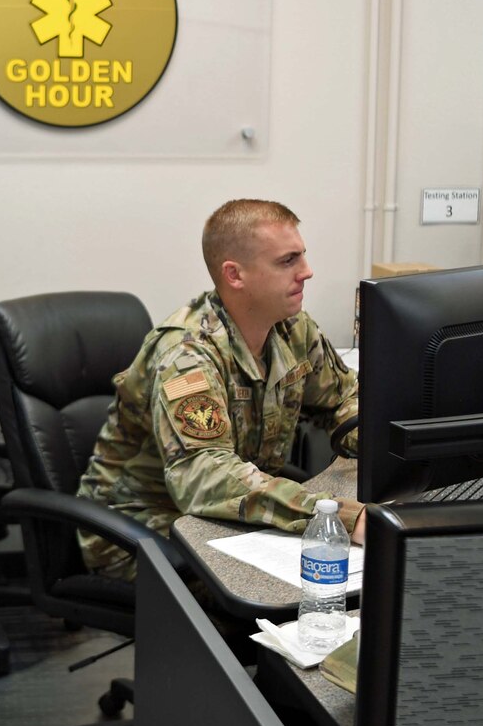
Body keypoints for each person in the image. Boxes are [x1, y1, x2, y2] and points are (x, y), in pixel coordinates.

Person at [76, 199, 366, 582]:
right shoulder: (188, 353)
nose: (307, 272)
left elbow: (343, 397)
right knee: (301, 583)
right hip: (140, 530)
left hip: (223, 517)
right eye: (287, 261)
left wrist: (387, 449)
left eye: (303, 257)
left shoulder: (292, 328)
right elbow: (205, 475)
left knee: (343, 572)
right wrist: (335, 515)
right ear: (235, 275)